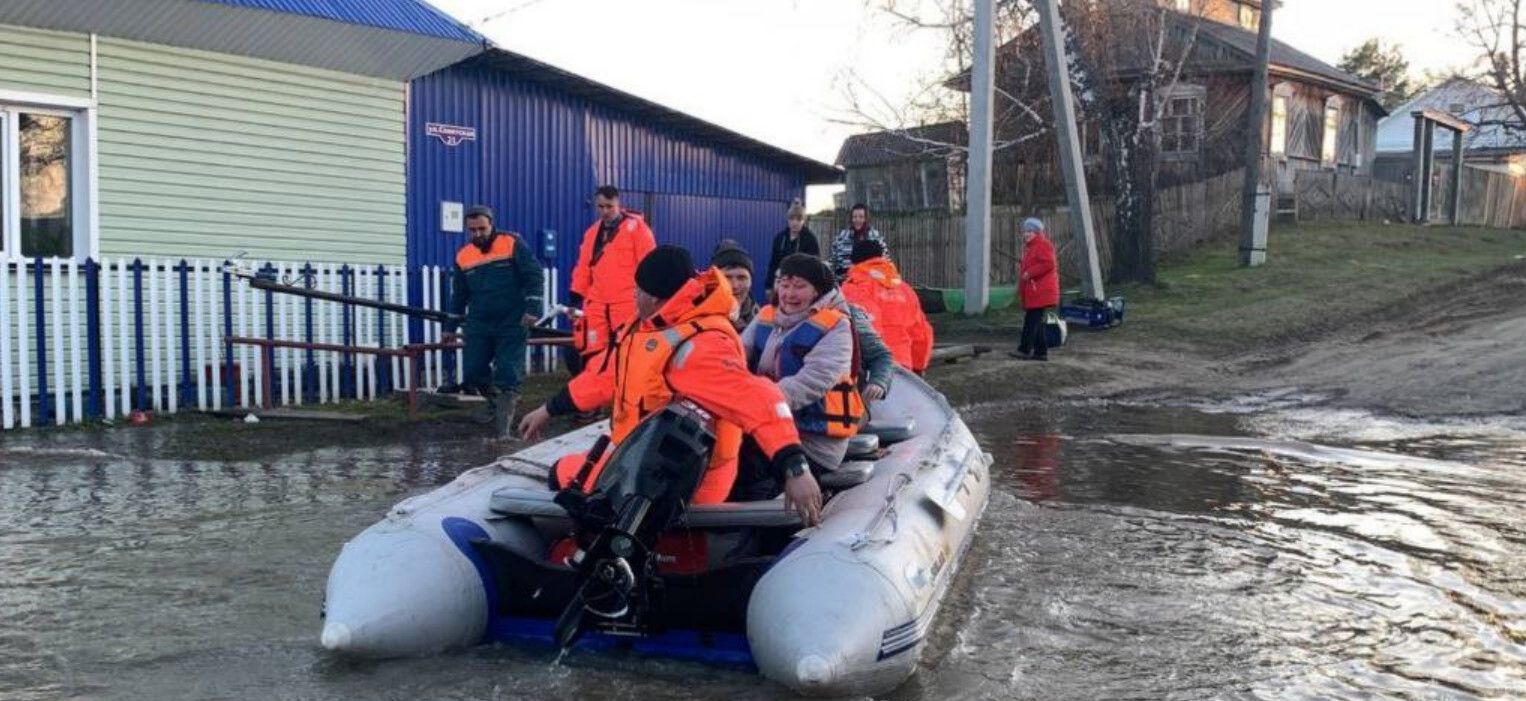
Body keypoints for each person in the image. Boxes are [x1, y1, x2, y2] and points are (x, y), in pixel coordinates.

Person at [519, 246, 823, 525]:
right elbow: (606, 377)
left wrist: (794, 467)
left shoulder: (698, 344)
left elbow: (760, 398)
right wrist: (549, 409)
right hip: (637, 458)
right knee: (561, 472)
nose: (634, 297)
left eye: (637, 291)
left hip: (684, 474)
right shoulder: (645, 326)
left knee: (569, 485)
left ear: (653, 296)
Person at [735, 254, 867, 499]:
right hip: (764, 423)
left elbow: (813, 382)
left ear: (817, 291)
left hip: (813, 442)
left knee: (752, 476)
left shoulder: (836, 327)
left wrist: (756, 401)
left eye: (799, 287)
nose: (789, 294)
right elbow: (736, 356)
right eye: (784, 285)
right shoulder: (766, 316)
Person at [441, 205, 544, 437]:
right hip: (479, 321)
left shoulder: (512, 244)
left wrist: (533, 308)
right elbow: (459, 295)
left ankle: (503, 434)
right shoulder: (464, 256)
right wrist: (450, 327)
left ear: (491, 225)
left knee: (507, 373)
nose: (478, 234)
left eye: (482, 229)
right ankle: (495, 402)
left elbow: (534, 276)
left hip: (512, 320)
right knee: (472, 371)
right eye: (472, 230)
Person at [569, 185, 657, 369]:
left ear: (618, 204)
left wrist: (650, 298)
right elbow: (584, 267)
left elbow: (650, 265)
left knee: (628, 350)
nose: (605, 211)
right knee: (593, 353)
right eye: (601, 207)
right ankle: (597, 392)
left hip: (626, 304)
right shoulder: (592, 233)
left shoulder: (638, 230)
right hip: (598, 304)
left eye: (609, 206)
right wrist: (576, 296)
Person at [841, 239, 934, 375]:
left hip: (868, 370)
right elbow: (921, 333)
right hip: (903, 366)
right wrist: (919, 366)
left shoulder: (852, 289)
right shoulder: (905, 290)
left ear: (854, 261)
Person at [1014, 217, 1060, 362]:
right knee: (1036, 322)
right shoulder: (1032, 247)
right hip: (1036, 291)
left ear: (1037, 232)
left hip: (1041, 291)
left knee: (1031, 321)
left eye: (1030, 231)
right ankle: (1041, 352)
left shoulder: (1043, 245)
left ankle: (1024, 350)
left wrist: (1030, 273)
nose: (1026, 234)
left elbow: (1049, 263)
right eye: (1026, 231)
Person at [764, 200, 821, 298]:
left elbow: (815, 265)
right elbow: (773, 263)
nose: (795, 223)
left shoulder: (810, 239)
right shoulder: (780, 238)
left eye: (799, 219)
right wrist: (769, 286)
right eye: (792, 219)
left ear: (804, 221)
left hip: (801, 285)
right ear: (788, 220)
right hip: (781, 283)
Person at [829, 203, 887, 278]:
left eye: (861, 217)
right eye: (854, 217)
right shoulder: (841, 238)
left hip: (869, 282)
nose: (857, 220)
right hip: (845, 281)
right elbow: (833, 261)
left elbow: (885, 261)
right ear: (851, 219)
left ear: (866, 218)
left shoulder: (876, 238)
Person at [711, 242, 759, 331]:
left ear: (751, 281)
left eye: (742, 277)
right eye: (727, 278)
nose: (735, 285)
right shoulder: (699, 317)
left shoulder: (762, 321)